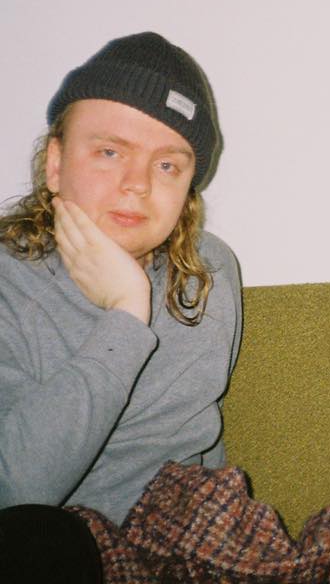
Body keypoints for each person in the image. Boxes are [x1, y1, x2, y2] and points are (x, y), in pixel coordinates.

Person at [0, 32, 241, 583]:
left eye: (167, 165)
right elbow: (15, 492)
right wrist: (127, 315)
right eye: (109, 152)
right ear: (56, 163)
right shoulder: (8, 279)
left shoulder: (209, 272)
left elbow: (200, 459)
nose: (136, 185)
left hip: (180, 546)